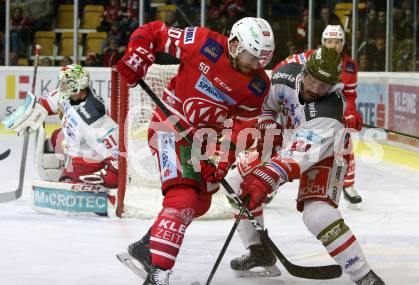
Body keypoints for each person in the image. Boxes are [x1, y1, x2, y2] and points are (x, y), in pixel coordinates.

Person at [116, 17, 275, 284]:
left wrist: (224, 157)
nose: (256, 65)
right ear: (235, 44)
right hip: (169, 126)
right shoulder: (204, 43)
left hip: (203, 143)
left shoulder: (257, 85)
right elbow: (155, 32)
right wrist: (139, 54)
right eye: (252, 57)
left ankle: (146, 248)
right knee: (183, 199)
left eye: (262, 60)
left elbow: (242, 125)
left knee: (199, 202)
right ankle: (158, 274)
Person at [228, 46, 385, 284]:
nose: (315, 89)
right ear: (304, 71)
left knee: (318, 214)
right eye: (312, 79)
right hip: (290, 140)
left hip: (325, 151)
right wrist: (269, 127)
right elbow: (267, 107)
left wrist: (265, 177)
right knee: (234, 182)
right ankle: (258, 251)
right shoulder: (283, 76)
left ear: (333, 86)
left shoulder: (329, 110)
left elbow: (299, 157)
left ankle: (364, 275)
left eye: (324, 85)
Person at [274, 25, 364, 206]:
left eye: (337, 42)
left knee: (344, 139)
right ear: (322, 42)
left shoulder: (350, 67)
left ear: (343, 44)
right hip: (301, 102)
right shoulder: (308, 57)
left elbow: (350, 95)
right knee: (281, 140)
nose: (333, 45)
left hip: (329, 108)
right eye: (329, 41)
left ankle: (348, 184)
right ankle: (273, 180)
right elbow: (280, 69)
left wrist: (351, 114)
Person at [3, 64, 118, 189]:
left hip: (89, 160)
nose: (61, 86)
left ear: (78, 84)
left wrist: (105, 177)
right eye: (62, 81)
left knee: (68, 182)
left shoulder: (93, 118)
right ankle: (64, 162)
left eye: (66, 82)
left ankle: (76, 173)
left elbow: (116, 156)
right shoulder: (68, 94)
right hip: (74, 141)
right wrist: (30, 114)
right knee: (55, 137)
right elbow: (45, 104)